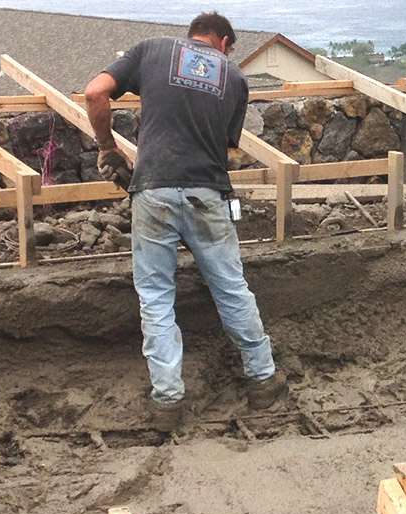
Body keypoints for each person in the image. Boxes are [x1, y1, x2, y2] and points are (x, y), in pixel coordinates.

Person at [84, 11, 286, 432]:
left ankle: (168, 402)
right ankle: (264, 379)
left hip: (153, 189)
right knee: (231, 287)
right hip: (207, 193)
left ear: (193, 34)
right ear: (225, 43)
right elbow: (222, 145)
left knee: (156, 297)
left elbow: (94, 93)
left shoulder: (151, 50)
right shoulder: (233, 76)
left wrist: (107, 147)